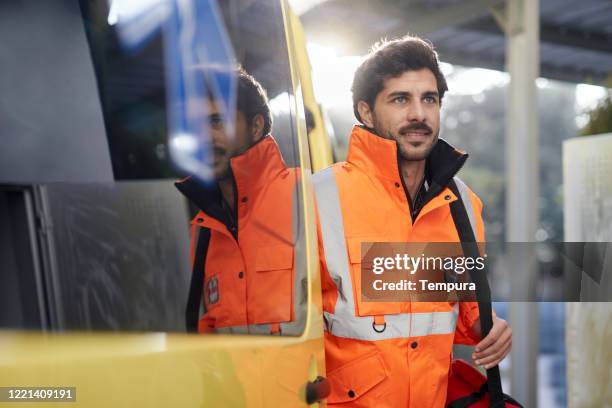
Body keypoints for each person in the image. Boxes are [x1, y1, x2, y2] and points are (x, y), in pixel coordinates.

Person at [313, 36, 512, 406]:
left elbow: (469, 310)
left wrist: (491, 327)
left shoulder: (464, 205)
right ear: (366, 112)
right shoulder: (317, 198)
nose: (418, 114)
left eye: (429, 99)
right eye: (400, 99)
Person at [176, 68, 304, 335]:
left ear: (256, 127)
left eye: (217, 122)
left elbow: (400, 297)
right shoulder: (203, 233)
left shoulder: (310, 196)